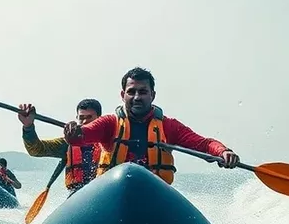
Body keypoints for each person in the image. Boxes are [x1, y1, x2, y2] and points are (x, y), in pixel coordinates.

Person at [63, 67, 240, 184]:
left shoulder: (169, 126)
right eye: (131, 92)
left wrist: (222, 152)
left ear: (152, 95)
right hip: (111, 194)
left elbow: (204, 144)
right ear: (123, 95)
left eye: (143, 92)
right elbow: (83, 135)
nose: (137, 97)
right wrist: (73, 133)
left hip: (152, 196)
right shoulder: (110, 123)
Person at [18, 98, 103, 195]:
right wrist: (28, 127)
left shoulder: (111, 142)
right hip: (78, 196)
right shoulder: (67, 143)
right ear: (77, 118)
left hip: (104, 193)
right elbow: (36, 150)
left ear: (100, 119)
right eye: (81, 117)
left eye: (89, 117)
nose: (84, 121)